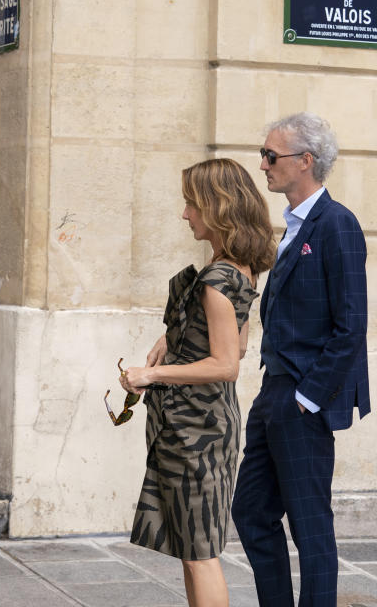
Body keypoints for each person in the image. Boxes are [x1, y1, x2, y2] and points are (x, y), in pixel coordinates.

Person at [120, 158, 276, 607]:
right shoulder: (238, 266)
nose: (184, 214)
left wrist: (152, 374)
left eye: (191, 203)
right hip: (207, 425)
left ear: (215, 206)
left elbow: (227, 363)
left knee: (200, 555)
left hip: (196, 432)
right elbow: (236, 343)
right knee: (193, 550)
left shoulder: (216, 278)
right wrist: (172, 340)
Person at [231, 113, 369, 606]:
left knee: (310, 525)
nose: (263, 164)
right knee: (250, 512)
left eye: (271, 155)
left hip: (302, 396)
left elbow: (352, 325)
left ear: (305, 161)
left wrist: (308, 398)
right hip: (275, 391)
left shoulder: (337, 224)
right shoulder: (292, 226)